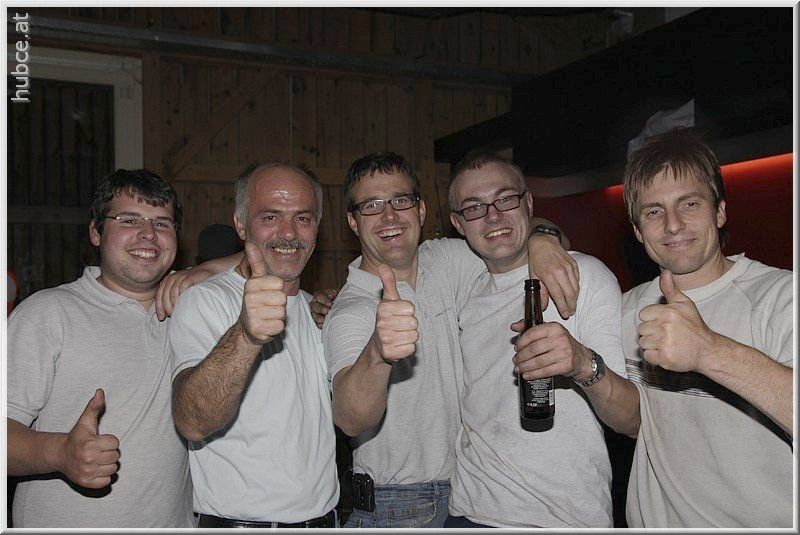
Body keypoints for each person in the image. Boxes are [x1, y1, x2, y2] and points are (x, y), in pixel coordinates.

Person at [320, 152, 579, 528]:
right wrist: (377, 352)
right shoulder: (351, 310)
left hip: (469, 494)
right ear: (352, 222)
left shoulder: (444, 260)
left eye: (400, 200)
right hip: (398, 507)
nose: (389, 216)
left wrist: (542, 240)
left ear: (421, 210)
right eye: (372, 206)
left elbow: (512, 230)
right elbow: (349, 419)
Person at [444, 153, 640, 528]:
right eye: (474, 207)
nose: (493, 216)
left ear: (529, 203)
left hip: (562, 518)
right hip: (469, 513)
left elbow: (632, 420)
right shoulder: (464, 294)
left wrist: (582, 364)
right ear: (458, 223)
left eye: (505, 199)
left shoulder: (584, 276)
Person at [620, 128, 792, 527]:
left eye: (689, 204)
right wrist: (543, 238)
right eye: (654, 211)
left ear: (720, 212)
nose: (673, 225)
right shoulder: (625, 308)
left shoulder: (782, 297)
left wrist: (708, 351)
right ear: (638, 231)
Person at [6, 169, 195, 528]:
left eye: (162, 223)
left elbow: (263, 257)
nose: (148, 234)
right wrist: (60, 452)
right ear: (96, 232)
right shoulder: (48, 313)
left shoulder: (193, 310)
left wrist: (206, 270)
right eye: (129, 220)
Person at [168, 162, 339, 528]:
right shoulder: (206, 301)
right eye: (270, 217)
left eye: (303, 218)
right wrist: (246, 336)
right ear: (241, 224)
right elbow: (193, 421)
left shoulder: (316, 311)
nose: (289, 233)